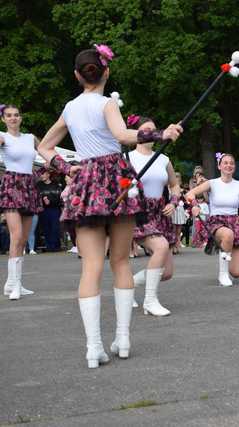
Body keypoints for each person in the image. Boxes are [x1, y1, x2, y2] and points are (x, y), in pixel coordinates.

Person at [38, 45, 183, 368]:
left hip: (86, 183)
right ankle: (123, 339)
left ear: (77, 76)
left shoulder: (70, 108)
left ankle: (94, 347)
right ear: (107, 72)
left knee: (91, 265)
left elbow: (45, 146)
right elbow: (121, 134)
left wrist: (66, 167)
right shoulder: (106, 104)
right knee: (120, 261)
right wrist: (161, 133)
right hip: (117, 181)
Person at [126, 115, 182, 316]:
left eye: (153, 129)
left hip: (159, 212)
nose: (151, 134)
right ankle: (150, 301)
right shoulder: (127, 158)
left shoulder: (163, 158)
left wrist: (173, 202)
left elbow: (174, 185)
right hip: (137, 212)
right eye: (146, 130)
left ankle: (128, 284)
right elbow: (119, 185)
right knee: (161, 246)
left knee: (166, 273)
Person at [187, 153, 239, 287]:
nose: (228, 165)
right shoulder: (212, 183)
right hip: (216, 222)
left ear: (234, 167)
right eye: (225, 162)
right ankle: (222, 275)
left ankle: (227, 265)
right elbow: (190, 194)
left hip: (235, 223)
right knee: (227, 234)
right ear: (219, 166)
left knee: (236, 272)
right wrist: (194, 206)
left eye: (231, 163)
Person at [0, 104, 43, 300]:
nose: (13, 118)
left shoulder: (30, 138)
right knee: (16, 236)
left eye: (16, 115)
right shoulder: (2, 137)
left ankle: (13, 282)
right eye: (8, 116)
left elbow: (46, 153)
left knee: (24, 239)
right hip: (11, 185)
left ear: (21, 118)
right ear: (3, 119)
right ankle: (14, 284)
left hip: (29, 185)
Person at [37, 170, 63, 251]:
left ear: (48, 175)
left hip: (54, 209)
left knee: (55, 228)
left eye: (43, 174)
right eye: (41, 174)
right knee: (46, 228)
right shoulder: (38, 185)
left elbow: (60, 198)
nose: (41, 176)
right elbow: (36, 197)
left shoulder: (56, 185)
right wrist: (42, 202)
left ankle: (55, 246)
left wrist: (50, 201)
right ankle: (49, 247)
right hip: (43, 210)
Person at [171, 172, 188, 254]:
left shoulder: (182, 191)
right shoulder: (170, 189)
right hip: (173, 210)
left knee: (178, 230)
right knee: (173, 230)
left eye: (178, 180)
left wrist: (183, 200)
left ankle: (177, 245)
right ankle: (173, 246)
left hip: (180, 210)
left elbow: (186, 201)